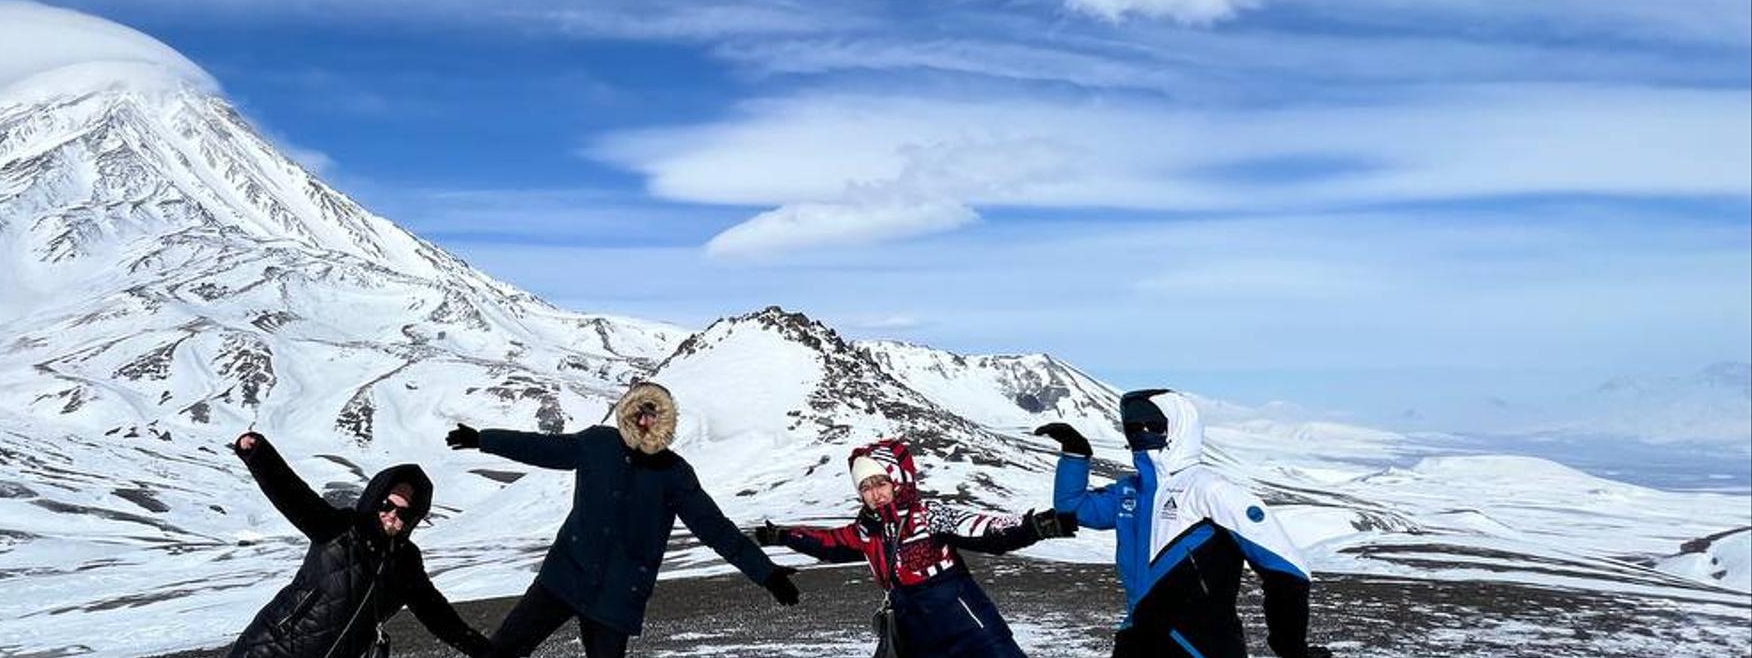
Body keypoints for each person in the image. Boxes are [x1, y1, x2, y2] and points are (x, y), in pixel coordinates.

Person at [445, 381, 801, 658]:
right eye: (640, 412)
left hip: (616, 596)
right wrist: (483, 439)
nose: (645, 421)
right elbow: (541, 448)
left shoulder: (674, 473)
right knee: (502, 651)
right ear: (628, 412)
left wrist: (766, 573)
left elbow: (715, 528)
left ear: (665, 422)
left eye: (654, 415)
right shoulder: (597, 443)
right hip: (565, 576)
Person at [1034, 389, 1333, 658]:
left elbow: (1286, 568)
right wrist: (1075, 454)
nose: (1141, 433)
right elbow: (1074, 509)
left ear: (1179, 428)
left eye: (1152, 425)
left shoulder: (1211, 490)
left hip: (1201, 646)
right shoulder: (1131, 492)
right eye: (1133, 427)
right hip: (1137, 637)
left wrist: (1290, 646)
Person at [752, 437, 1076, 658]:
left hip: (968, 626)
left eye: (881, 482)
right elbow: (829, 542)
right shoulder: (866, 531)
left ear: (898, 480)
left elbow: (985, 529)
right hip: (916, 635)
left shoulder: (929, 515)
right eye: (865, 487)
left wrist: (1035, 527)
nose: (875, 493)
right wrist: (783, 536)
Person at [224, 432, 491, 658]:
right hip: (273, 648)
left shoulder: (406, 563)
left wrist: (485, 651)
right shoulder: (339, 528)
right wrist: (258, 454)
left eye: (404, 512)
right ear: (376, 498)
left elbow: (439, 617)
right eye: (387, 505)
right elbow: (292, 494)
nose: (392, 515)